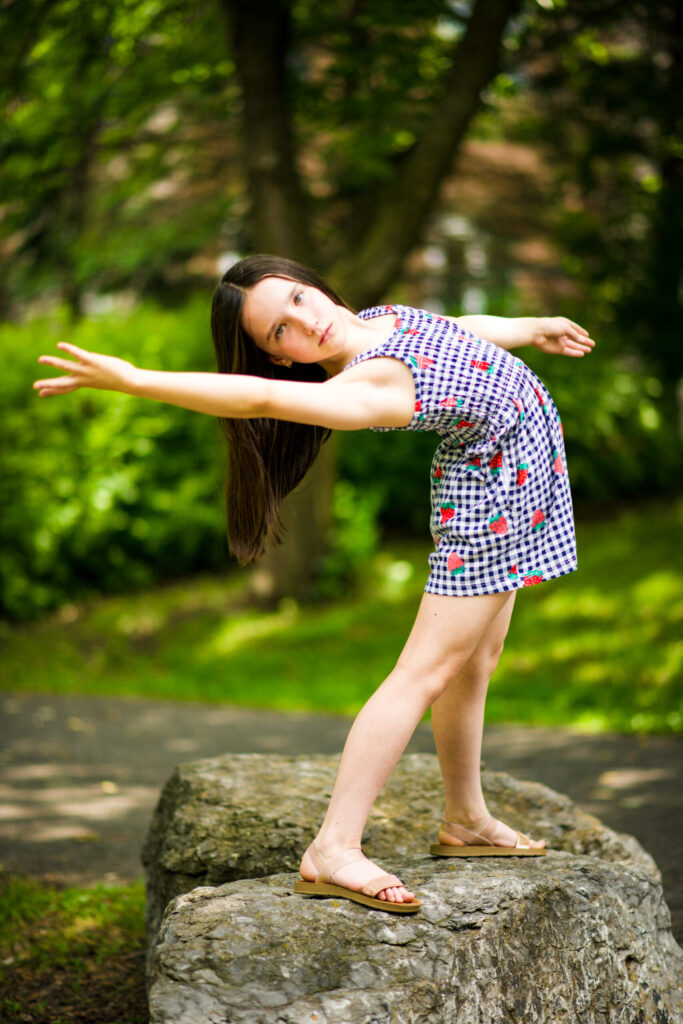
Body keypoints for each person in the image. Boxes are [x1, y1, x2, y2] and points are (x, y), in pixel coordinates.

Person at [34, 254, 594, 915]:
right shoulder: (364, 388)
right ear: (283, 358)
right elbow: (259, 398)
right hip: (488, 515)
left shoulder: (377, 321)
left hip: (517, 500)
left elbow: (453, 329)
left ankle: (465, 818)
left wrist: (531, 326)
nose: (307, 321)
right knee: (420, 675)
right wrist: (133, 380)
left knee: (476, 663)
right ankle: (333, 847)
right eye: (280, 331)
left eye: (299, 298)